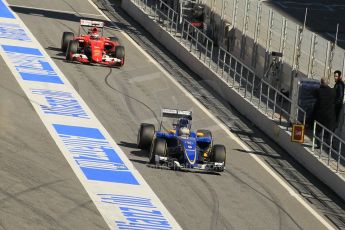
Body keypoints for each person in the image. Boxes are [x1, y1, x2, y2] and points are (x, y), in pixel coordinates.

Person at [312, 78, 336, 148]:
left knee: (319, 130)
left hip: (320, 114)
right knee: (329, 131)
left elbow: (314, 96)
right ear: (328, 83)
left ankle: (319, 145)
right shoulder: (332, 91)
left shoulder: (318, 91)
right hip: (330, 114)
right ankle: (331, 145)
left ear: (321, 83)